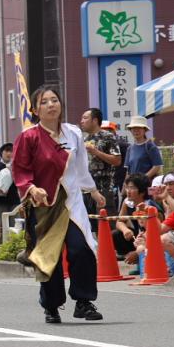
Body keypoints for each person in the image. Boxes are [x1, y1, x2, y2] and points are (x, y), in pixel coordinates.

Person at [12, 85, 105, 324]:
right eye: (44, 102)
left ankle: (83, 302)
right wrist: (32, 188)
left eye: (54, 100)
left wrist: (92, 190)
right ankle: (51, 306)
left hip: (72, 202)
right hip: (44, 206)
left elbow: (81, 166)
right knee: (49, 256)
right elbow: (20, 170)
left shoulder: (73, 133)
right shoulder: (29, 137)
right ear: (35, 109)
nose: (51, 105)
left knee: (81, 249)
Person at [80, 108, 121, 220]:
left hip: (104, 189)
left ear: (95, 120)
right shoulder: (83, 139)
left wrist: (96, 152)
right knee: (88, 226)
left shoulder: (108, 136)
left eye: (85, 118)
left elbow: (117, 160)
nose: (81, 121)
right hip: (86, 190)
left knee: (106, 226)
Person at [111, 173, 159, 264]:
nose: (128, 191)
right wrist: (125, 230)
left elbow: (156, 229)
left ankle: (139, 258)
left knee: (142, 245)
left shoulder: (149, 206)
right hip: (138, 236)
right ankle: (127, 255)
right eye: (127, 187)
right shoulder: (127, 202)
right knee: (115, 234)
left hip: (151, 238)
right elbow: (119, 221)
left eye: (132, 188)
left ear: (142, 191)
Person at [0, 142, 20, 239]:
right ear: (1, 152)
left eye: (12, 151)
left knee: (15, 224)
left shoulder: (17, 167)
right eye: (7, 151)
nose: (9, 153)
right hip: (0, 200)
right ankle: (2, 247)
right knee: (2, 224)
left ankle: (14, 246)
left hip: (14, 199)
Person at [124, 116, 163, 180]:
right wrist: (125, 186)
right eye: (133, 128)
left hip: (146, 185)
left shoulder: (150, 146)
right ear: (130, 130)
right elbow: (128, 171)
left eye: (139, 128)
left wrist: (143, 179)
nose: (136, 131)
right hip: (134, 186)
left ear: (145, 130)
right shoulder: (130, 148)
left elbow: (157, 166)